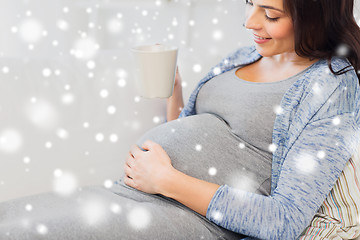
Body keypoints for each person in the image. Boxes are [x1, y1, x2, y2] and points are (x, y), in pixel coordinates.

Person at [0, 0, 359, 239]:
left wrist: (165, 180)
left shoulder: (331, 85)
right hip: (127, 192)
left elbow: (284, 219)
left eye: (271, 14)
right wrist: (176, 96)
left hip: (187, 219)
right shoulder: (244, 55)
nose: (250, 22)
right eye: (251, 3)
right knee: (9, 218)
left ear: (315, 16)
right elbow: (203, 132)